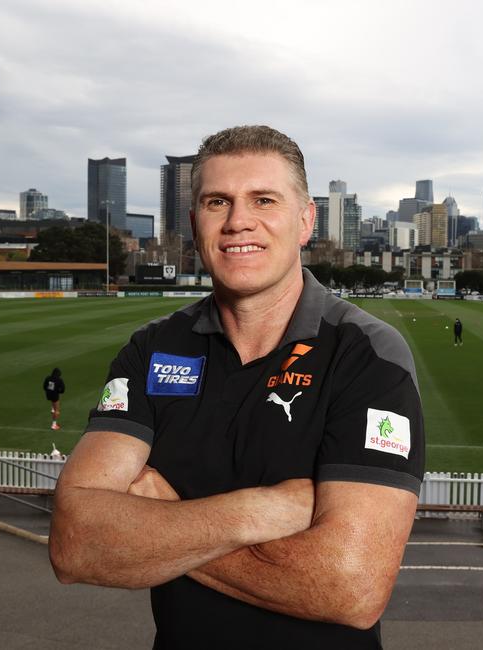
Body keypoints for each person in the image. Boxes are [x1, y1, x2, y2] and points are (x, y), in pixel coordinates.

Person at [49, 126, 425, 649]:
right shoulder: (153, 348)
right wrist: (261, 512)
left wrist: (164, 518)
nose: (237, 222)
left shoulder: (367, 355)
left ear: (305, 220)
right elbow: (75, 542)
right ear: (193, 222)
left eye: (263, 200)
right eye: (217, 202)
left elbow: (350, 589)